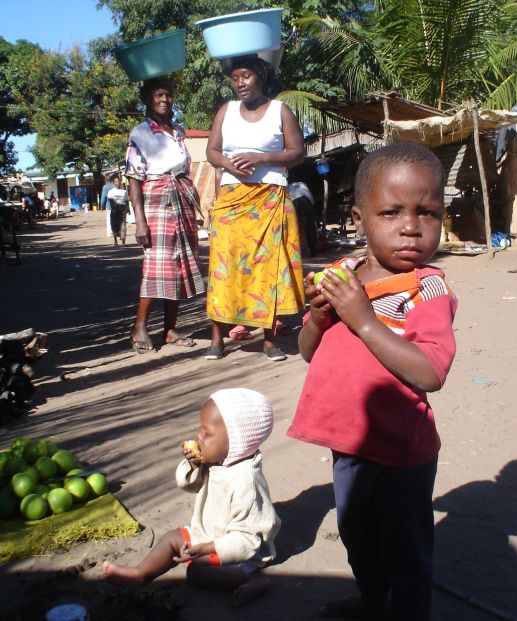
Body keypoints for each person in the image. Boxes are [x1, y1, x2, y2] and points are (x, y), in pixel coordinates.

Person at [287, 142, 458, 621]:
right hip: (349, 445)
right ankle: (370, 599)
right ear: (359, 221)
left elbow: (431, 371)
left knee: (407, 553)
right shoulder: (342, 275)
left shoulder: (427, 288)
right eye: (391, 212)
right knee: (357, 535)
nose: (411, 226)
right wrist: (319, 322)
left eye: (427, 212)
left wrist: (362, 319)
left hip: (403, 451)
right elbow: (307, 352)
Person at [102, 387, 280, 607]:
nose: (198, 437)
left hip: (240, 553)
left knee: (197, 572)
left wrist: (207, 549)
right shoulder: (218, 459)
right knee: (171, 538)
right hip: (207, 532)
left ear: (237, 441)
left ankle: (251, 582)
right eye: (200, 430)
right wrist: (192, 464)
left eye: (207, 433)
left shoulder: (247, 482)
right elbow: (189, 485)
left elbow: (248, 539)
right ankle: (140, 573)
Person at [205, 56, 305, 362]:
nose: (239, 83)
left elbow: (298, 152)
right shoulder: (227, 110)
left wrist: (261, 159)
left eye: (245, 76)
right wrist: (229, 163)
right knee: (224, 266)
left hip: (271, 198)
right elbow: (212, 150)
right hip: (232, 200)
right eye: (235, 78)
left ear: (260, 77)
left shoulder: (280, 110)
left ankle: (269, 340)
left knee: (268, 269)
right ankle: (217, 338)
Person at [125, 76, 205, 353]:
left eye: (168, 95)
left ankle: (170, 330)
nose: (164, 99)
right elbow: (134, 180)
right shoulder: (140, 133)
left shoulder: (178, 131)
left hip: (181, 199)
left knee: (180, 267)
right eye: (158, 95)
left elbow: (183, 169)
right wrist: (140, 222)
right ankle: (139, 326)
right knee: (157, 266)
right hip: (156, 201)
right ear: (147, 99)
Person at [106, 173, 129, 246]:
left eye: (119, 181)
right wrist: (113, 209)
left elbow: (126, 201)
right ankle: (115, 241)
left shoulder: (124, 191)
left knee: (123, 225)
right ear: (113, 182)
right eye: (116, 181)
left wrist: (128, 209)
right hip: (115, 210)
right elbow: (111, 201)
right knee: (114, 225)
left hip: (122, 209)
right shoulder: (111, 192)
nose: (118, 182)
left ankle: (123, 243)